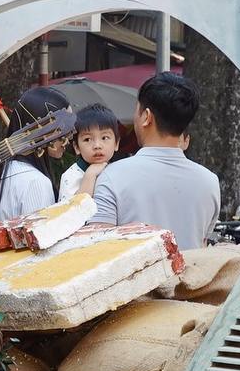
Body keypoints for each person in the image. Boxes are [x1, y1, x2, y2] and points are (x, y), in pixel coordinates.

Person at [91, 72, 220, 251]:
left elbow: (97, 248)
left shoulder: (112, 176)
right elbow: (202, 242)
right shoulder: (210, 181)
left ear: (146, 117)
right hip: (191, 278)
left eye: (137, 109)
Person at [0, 86, 72, 222]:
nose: (69, 138)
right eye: (65, 126)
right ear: (43, 128)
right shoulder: (36, 182)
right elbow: (39, 240)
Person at [58, 103, 121, 202]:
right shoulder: (71, 176)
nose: (97, 146)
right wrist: (90, 175)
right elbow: (71, 213)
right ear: (77, 147)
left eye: (104, 138)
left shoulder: (119, 171)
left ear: (116, 143)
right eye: (87, 139)